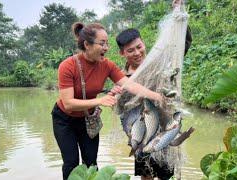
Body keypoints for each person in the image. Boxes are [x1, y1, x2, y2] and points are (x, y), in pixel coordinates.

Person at [51, 22, 163, 180]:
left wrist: (157, 96)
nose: (106, 48)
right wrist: (100, 101)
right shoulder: (67, 66)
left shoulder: (107, 65)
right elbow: (68, 103)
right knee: (71, 163)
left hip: (88, 119)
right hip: (64, 120)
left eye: (107, 43)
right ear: (87, 45)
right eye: (102, 43)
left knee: (91, 163)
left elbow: (130, 85)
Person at [114, 2, 192, 180]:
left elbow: (182, 45)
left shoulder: (159, 63)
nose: (137, 53)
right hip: (143, 131)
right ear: (122, 53)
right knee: (146, 175)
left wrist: (178, 16)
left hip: (165, 127)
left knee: (166, 175)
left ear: (143, 43)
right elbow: (122, 112)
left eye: (139, 47)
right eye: (130, 50)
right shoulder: (123, 78)